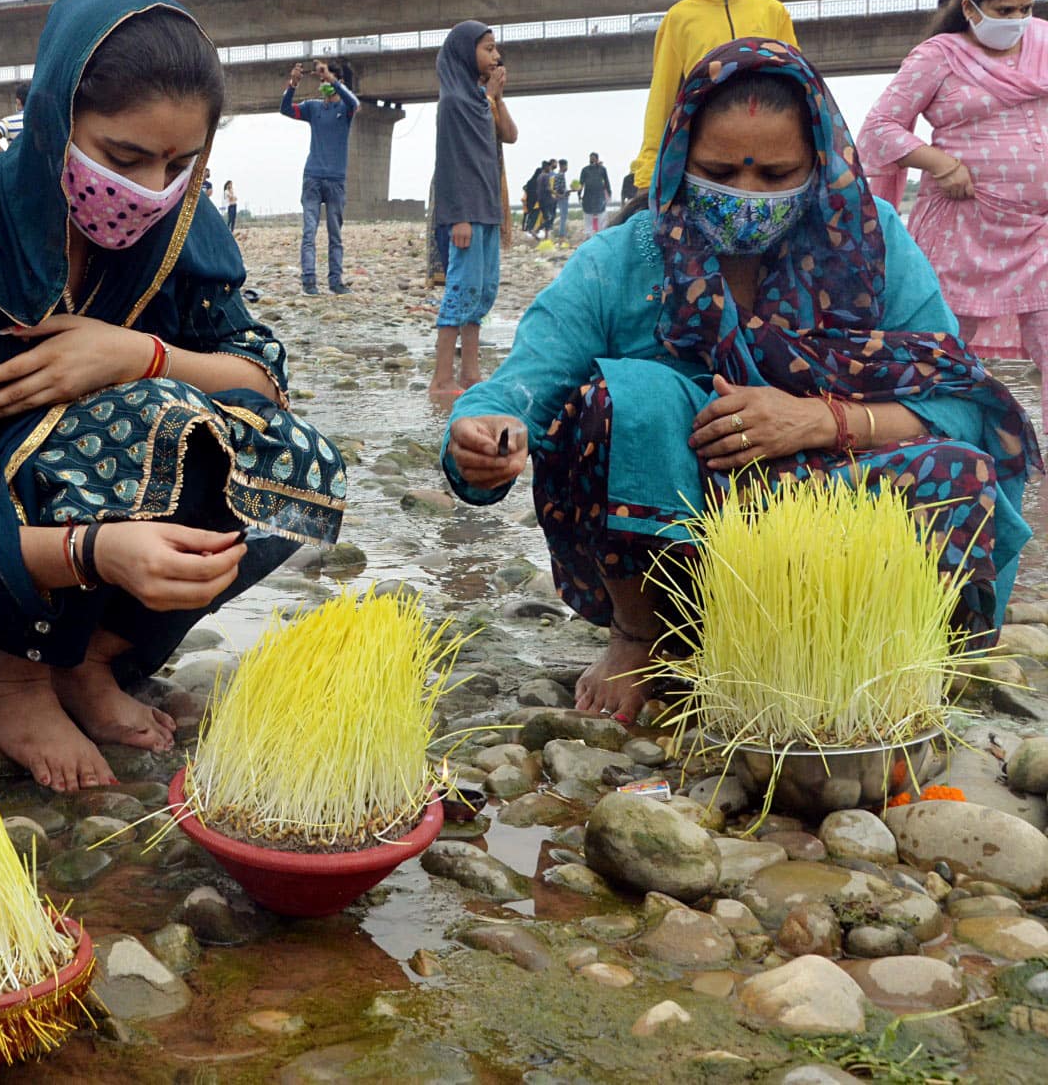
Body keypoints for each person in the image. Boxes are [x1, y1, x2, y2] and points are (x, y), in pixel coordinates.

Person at [0, 0, 346, 791]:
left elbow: (261, 382)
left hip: (87, 501)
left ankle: (88, 657)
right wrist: (98, 551)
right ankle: (5, 677)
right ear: (51, 120)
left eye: (181, 163)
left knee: (292, 466)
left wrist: (132, 353)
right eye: (123, 157)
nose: (151, 187)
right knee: (146, 418)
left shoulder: (179, 220)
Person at [444, 38, 1039, 723]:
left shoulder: (873, 249)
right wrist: (488, 430)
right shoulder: (627, 259)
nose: (746, 196)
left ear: (822, 162)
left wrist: (822, 420)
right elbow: (527, 383)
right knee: (617, 400)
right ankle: (644, 635)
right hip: (687, 515)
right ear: (678, 159)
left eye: (776, 173)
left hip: (835, 512)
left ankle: (871, 656)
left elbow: (962, 406)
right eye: (719, 171)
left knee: (956, 469)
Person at [858, 0, 1048, 433]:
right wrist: (940, 163)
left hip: (1038, 227)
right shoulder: (938, 56)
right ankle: (927, 445)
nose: (1018, 21)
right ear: (970, 8)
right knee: (940, 348)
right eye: (1004, 11)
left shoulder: (1044, 44)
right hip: (964, 229)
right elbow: (880, 129)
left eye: (1025, 9)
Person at [627, 0, 798, 193]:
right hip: (708, 159)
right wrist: (647, 174)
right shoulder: (680, 18)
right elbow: (663, 97)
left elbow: (798, 89)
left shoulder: (773, 12)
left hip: (769, 157)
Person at [431, 22, 518, 398]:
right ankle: (441, 379)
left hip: (488, 209)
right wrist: (458, 216)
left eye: (495, 48)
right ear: (466, 54)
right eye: (487, 49)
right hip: (466, 212)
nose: (495, 56)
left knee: (482, 292)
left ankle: (469, 372)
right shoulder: (453, 103)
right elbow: (450, 163)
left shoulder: (481, 100)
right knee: (460, 290)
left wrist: (495, 98)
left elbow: (510, 135)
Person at [280, 59, 359, 294]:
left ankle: (336, 282)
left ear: (338, 81)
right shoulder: (313, 108)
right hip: (312, 177)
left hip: (336, 180)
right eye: (321, 80)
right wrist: (293, 84)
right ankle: (309, 281)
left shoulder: (345, 110)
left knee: (335, 234)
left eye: (326, 79)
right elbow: (286, 109)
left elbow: (354, 103)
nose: (323, 83)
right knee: (309, 231)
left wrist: (332, 79)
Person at [0, 82, 29, 154]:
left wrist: (5, 157)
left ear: (18, 101)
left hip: (17, 164)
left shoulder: (8, 122)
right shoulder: (42, 120)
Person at [578, 153, 612, 234]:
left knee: (601, 216)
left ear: (597, 159)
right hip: (588, 197)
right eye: (591, 158)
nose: (592, 160)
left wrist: (609, 194)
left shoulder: (602, 169)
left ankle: (601, 234)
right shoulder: (585, 170)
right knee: (588, 216)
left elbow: (607, 182)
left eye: (593, 158)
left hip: (599, 197)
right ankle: (589, 236)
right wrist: (579, 195)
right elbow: (581, 184)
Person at [520, 162, 545, 235]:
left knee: (528, 216)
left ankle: (526, 229)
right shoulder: (538, 182)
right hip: (535, 203)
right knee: (534, 218)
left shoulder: (530, 181)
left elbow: (525, 188)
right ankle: (530, 230)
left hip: (529, 202)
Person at [536, 158, 560, 235]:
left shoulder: (539, 176)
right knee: (550, 218)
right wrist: (556, 194)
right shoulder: (546, 176)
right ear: (546, 167)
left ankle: (546, 236)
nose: (550, 169)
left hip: (541, 200)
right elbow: (547, 188)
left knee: (547, 218)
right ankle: (537, 229)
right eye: (549, 167)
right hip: (546, 200)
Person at [549, 158, 570, 237]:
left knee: (563, 217)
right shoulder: (560, 175)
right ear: (563, 166)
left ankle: (562, 235)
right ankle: (562, 236)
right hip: (562, 200)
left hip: (562, 198)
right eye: (566, 166)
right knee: (563, 218)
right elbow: (556, 189)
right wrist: (564, 195)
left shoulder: (560, 175)